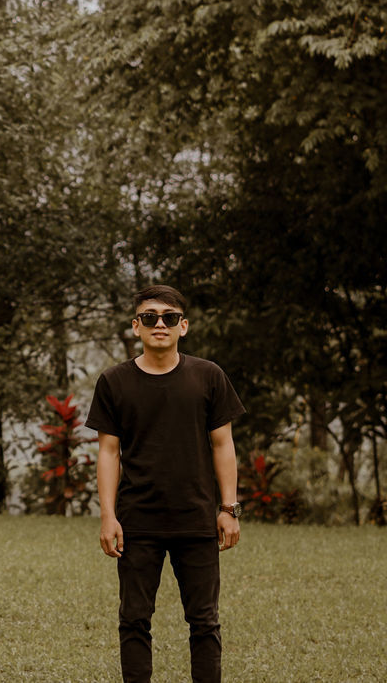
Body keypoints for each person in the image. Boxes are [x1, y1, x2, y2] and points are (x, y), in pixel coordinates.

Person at [85, 285, 244, 683]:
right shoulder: (114, 381)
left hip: (197, 519)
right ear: (135, 326)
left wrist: (228, 509)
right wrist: (108, 516)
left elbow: (223, 445)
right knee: (134, 620)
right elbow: (108, 453)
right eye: (151, 317)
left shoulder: (208, 376)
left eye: (169, 317)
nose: (161, 324)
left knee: (204, 622)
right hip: (137, 521)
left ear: (183, 326)